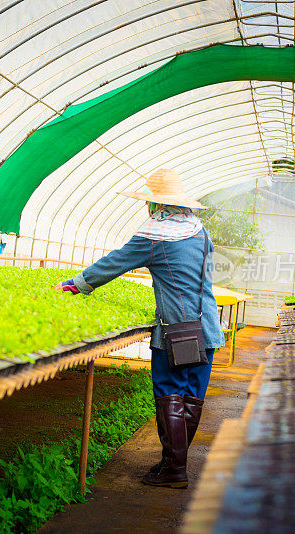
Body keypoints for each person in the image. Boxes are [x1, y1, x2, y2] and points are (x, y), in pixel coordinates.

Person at [54, 169, 224, 489]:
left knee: (171, 394)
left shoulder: (154, 235)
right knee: (191, 398)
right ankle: (173, 463)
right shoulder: (200, 232)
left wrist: (76, 285)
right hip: (209, 329)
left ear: (154, 204)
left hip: (178, 333)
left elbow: (115, 263)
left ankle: (174, 470)